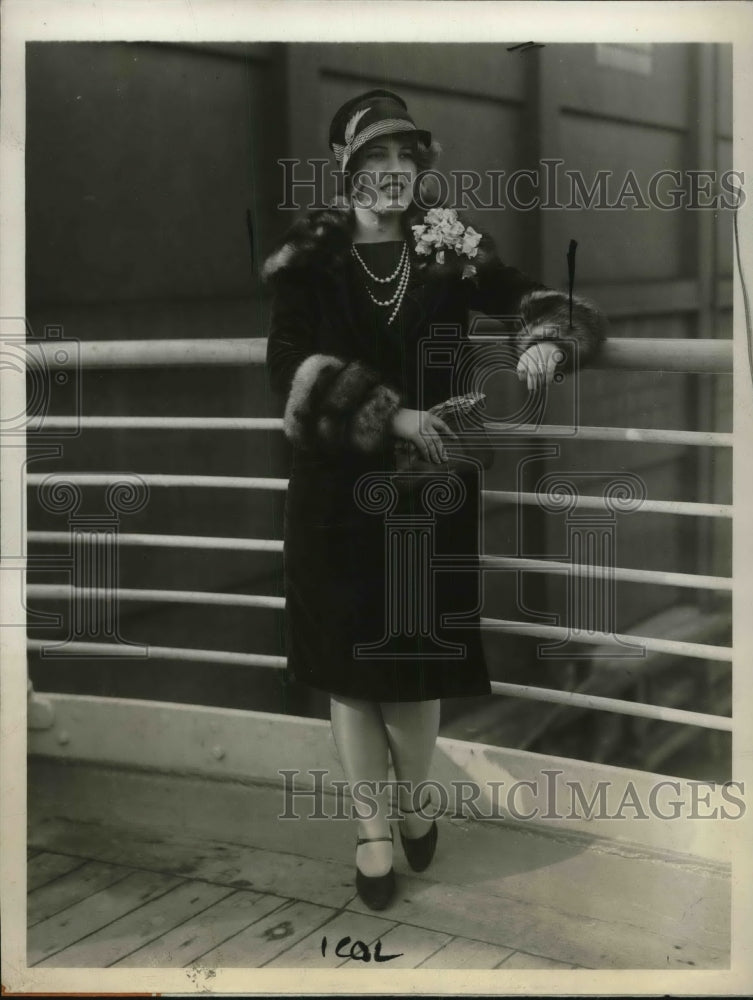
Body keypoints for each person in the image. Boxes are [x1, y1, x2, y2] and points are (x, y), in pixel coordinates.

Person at [264, 90, 606, 909]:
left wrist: (544, 347)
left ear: (421, 169)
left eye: (406, 160)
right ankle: (371, 830)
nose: (392, 174)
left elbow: (543, 300)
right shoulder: (309, 257)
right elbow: (289, 368)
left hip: (429, 489)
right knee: (348, 671)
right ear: (346, 167)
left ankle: (414, 799)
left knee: (417, 669)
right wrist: (398, 415)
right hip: (335, 491)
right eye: (375, 159)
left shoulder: (450, 245)